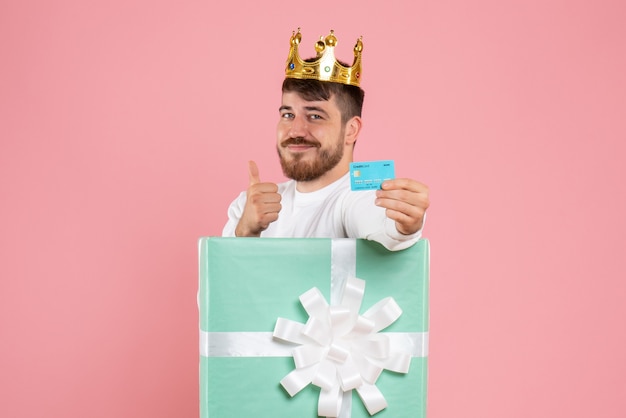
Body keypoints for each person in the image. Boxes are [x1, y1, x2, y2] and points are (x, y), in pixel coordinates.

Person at [222, 29, 429, 251]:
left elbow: (380, 221)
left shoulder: (358, 198)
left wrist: (402, 223)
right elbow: (216, 285)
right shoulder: (248, 205)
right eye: (288, 115)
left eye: (315, 116)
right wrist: (244, 233)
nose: (295, 130)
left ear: (351, 130)